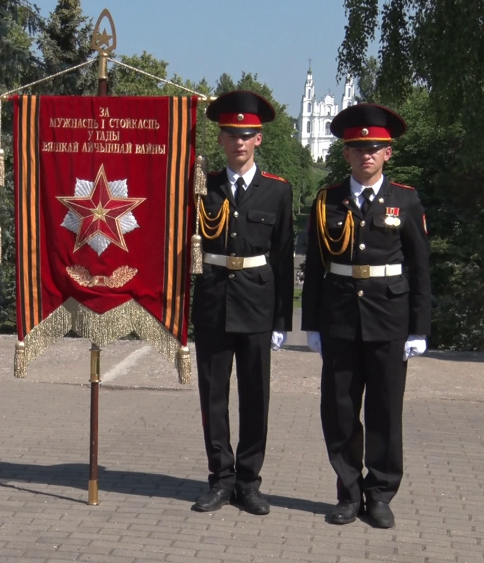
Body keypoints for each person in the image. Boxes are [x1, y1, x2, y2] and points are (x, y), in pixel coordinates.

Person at [302, 103, 431, 529]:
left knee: (384, 410)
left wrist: (419, 329)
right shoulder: (327, 200)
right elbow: (318, 267)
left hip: (389, 319)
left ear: (388, 153)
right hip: (340, 318)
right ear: (345, 154)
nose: (366, 155)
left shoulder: (406, 200)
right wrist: (313, 325)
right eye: (358, 148)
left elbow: (420, 267)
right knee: (338, 410)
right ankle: (347, 491)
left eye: (375, 147)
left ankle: (379, 494)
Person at [191, 91, 294, 515]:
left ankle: (249, 482)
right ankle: (221, 478)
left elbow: (285, 257)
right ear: (220, 139)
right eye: (231, 134)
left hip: (256, 303)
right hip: (213, 301)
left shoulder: (277, 192)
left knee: (255, 397)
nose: (239, 142)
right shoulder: (201, 187)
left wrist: (281, 320)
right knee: (213, 397)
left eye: (247, 134)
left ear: (259, 140)